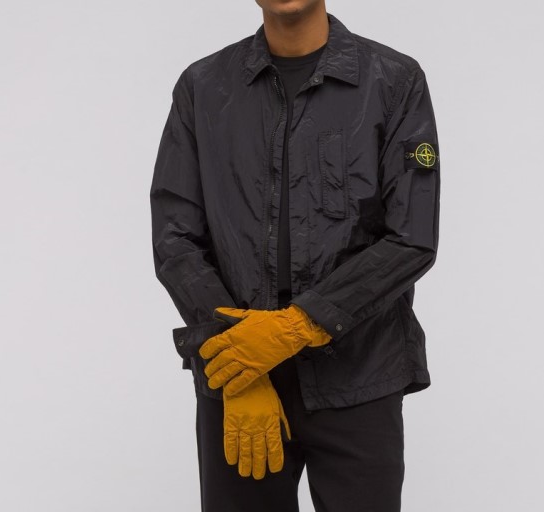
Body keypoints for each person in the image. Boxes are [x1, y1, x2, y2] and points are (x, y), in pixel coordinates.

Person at [149, 2, 440, 511]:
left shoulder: (394, 80)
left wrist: (297, 326)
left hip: (359, 374)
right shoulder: (203, 86)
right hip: (237, 381)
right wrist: (240, 362)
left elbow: (411, 238)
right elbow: (176, 239)